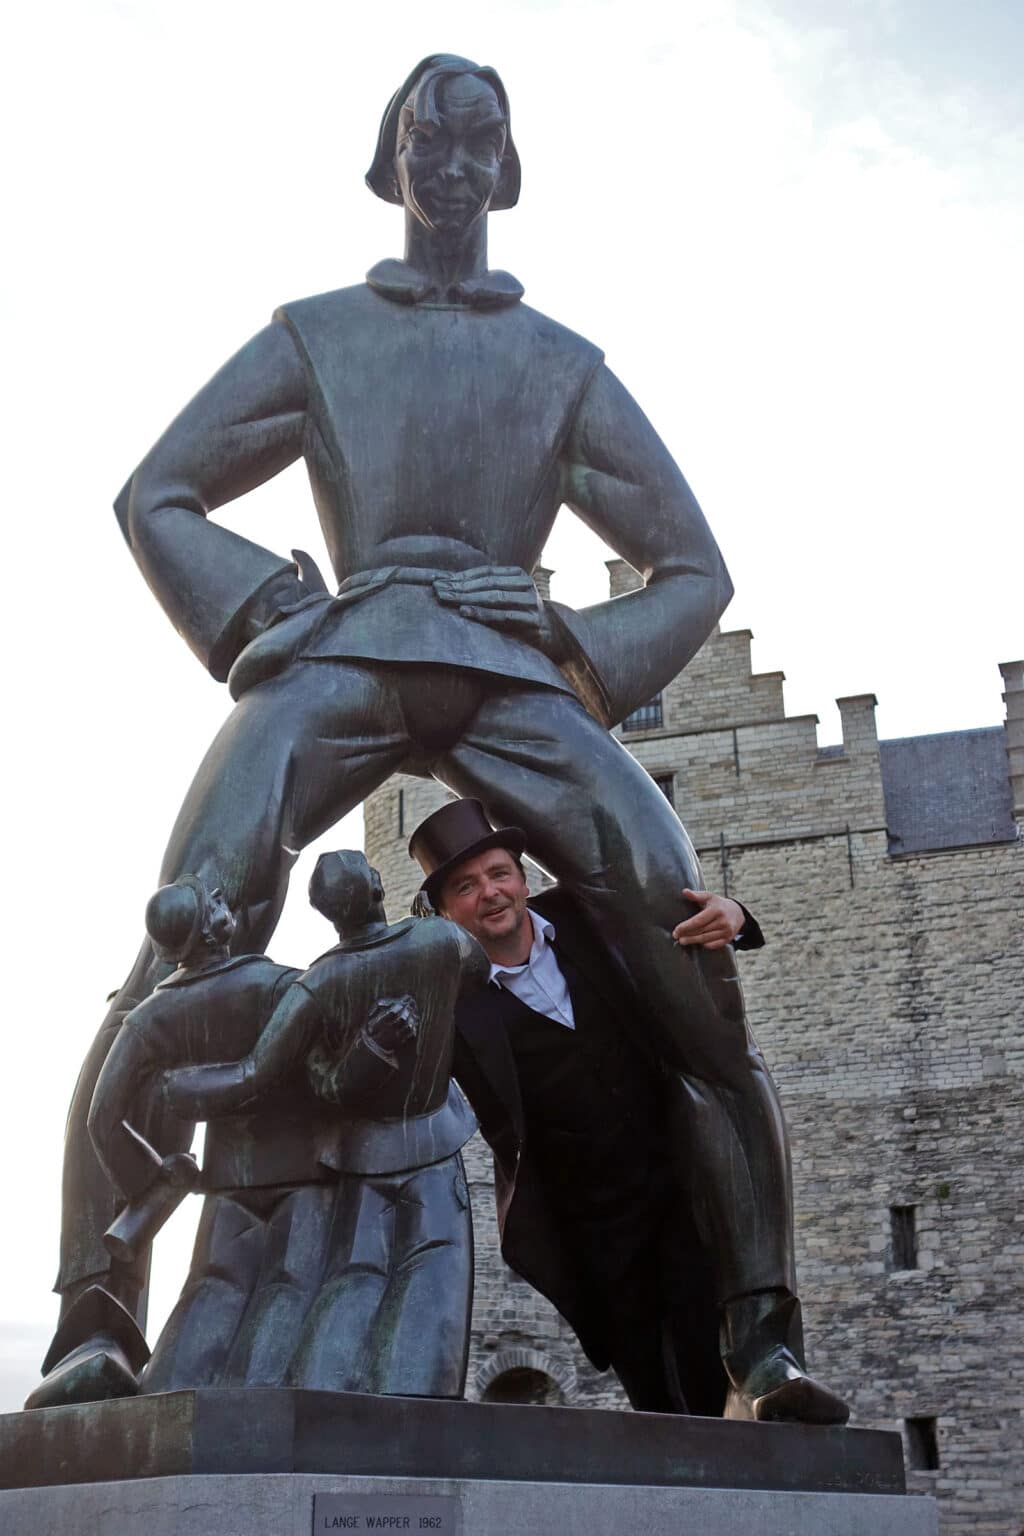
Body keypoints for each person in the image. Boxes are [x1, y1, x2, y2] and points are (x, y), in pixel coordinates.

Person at [37, 53, 837, 1418]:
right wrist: (271, 611)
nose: (454, 165)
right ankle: (93, 1318)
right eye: (429, 139)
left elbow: (693, 567)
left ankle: (761, 1343)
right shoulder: (318, 335)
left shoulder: (561, 367)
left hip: (512, 673)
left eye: (479, 143)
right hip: (346, 656)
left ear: (505, 169)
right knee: (187, 929)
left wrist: (571, 642)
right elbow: (157, 491)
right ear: (392, 159)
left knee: (681, 935)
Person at [410, 799, 848, 1423]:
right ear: (446, 910)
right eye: (466, 886)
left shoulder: (590, 915)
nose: (490, 893)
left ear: (524, 878)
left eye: (499, 873)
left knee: (708, 1354)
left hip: (681, 1180)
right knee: (654, 1395)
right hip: (588, 1227)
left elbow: (691, 919)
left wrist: (735, 915)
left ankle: (766, 1415)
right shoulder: (448, 1001)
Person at [78, 857, 484, 1401]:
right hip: (302, 1178)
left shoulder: (149, 1018)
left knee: (209, 1295)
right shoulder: (278, 985)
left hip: (226, 1182)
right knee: (287, 1294)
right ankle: (265, 1414)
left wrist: (151, 1181)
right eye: (213, 902)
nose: (224, 903)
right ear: (209, 928)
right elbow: (322, 1079)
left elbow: (102, 1117)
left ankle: (168, 1406)